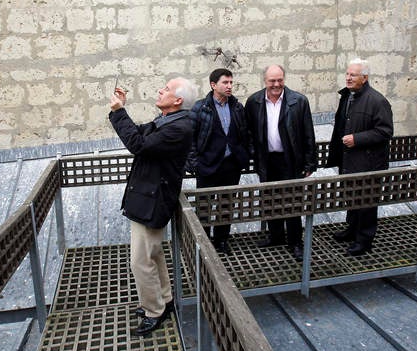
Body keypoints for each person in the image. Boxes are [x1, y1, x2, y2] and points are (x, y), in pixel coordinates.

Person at [109, 76, 196, 337]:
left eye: (166, 89)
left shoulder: (178, 128)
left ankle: (153, 311)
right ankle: (164, 300)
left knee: (140, 261)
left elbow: (138, 145)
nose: (160, 90)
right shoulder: (167, 120)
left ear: (177, 100)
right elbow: (137, 133)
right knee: (153, 254)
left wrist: (118, 112)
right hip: (149, 197)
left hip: (153, 200)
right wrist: (121, 109)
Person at [245, 64, 316, 261]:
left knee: (292, 201)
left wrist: (310, 163)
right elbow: (248, 131)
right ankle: (276, 236)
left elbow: (308, 133)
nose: (276, 84)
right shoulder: (254, 101)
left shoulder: (299, 101)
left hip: (290, 159)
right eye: (272, 81)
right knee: (270, 200)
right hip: (267, 159)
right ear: (264, 81)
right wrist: (253, 153)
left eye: (280, 80)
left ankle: (295, 242)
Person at [326, 58, 393, 256]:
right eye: (347, 74)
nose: (348, 78)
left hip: (369, 163)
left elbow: (385, 131)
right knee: (352, 198)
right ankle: (352, 230)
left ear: (364, 78)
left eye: (353, 75)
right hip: (349, 159)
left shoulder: (377, 100)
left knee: (366, 203)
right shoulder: (347, 96)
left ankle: (364, 240)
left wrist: (357, 139)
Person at [187, 68, 251, 255]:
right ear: (213, 85)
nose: (229, 86)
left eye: (231, 82)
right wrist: (195, 164)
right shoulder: (200, 108)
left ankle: (222, 241)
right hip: (207, 166)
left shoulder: (237, 107)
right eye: (225, 82)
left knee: (227, 205)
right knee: (204, 207)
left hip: (231, 165)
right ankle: (204, 245)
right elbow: (190, 138)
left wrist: (244, 155)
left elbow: (245, 133)